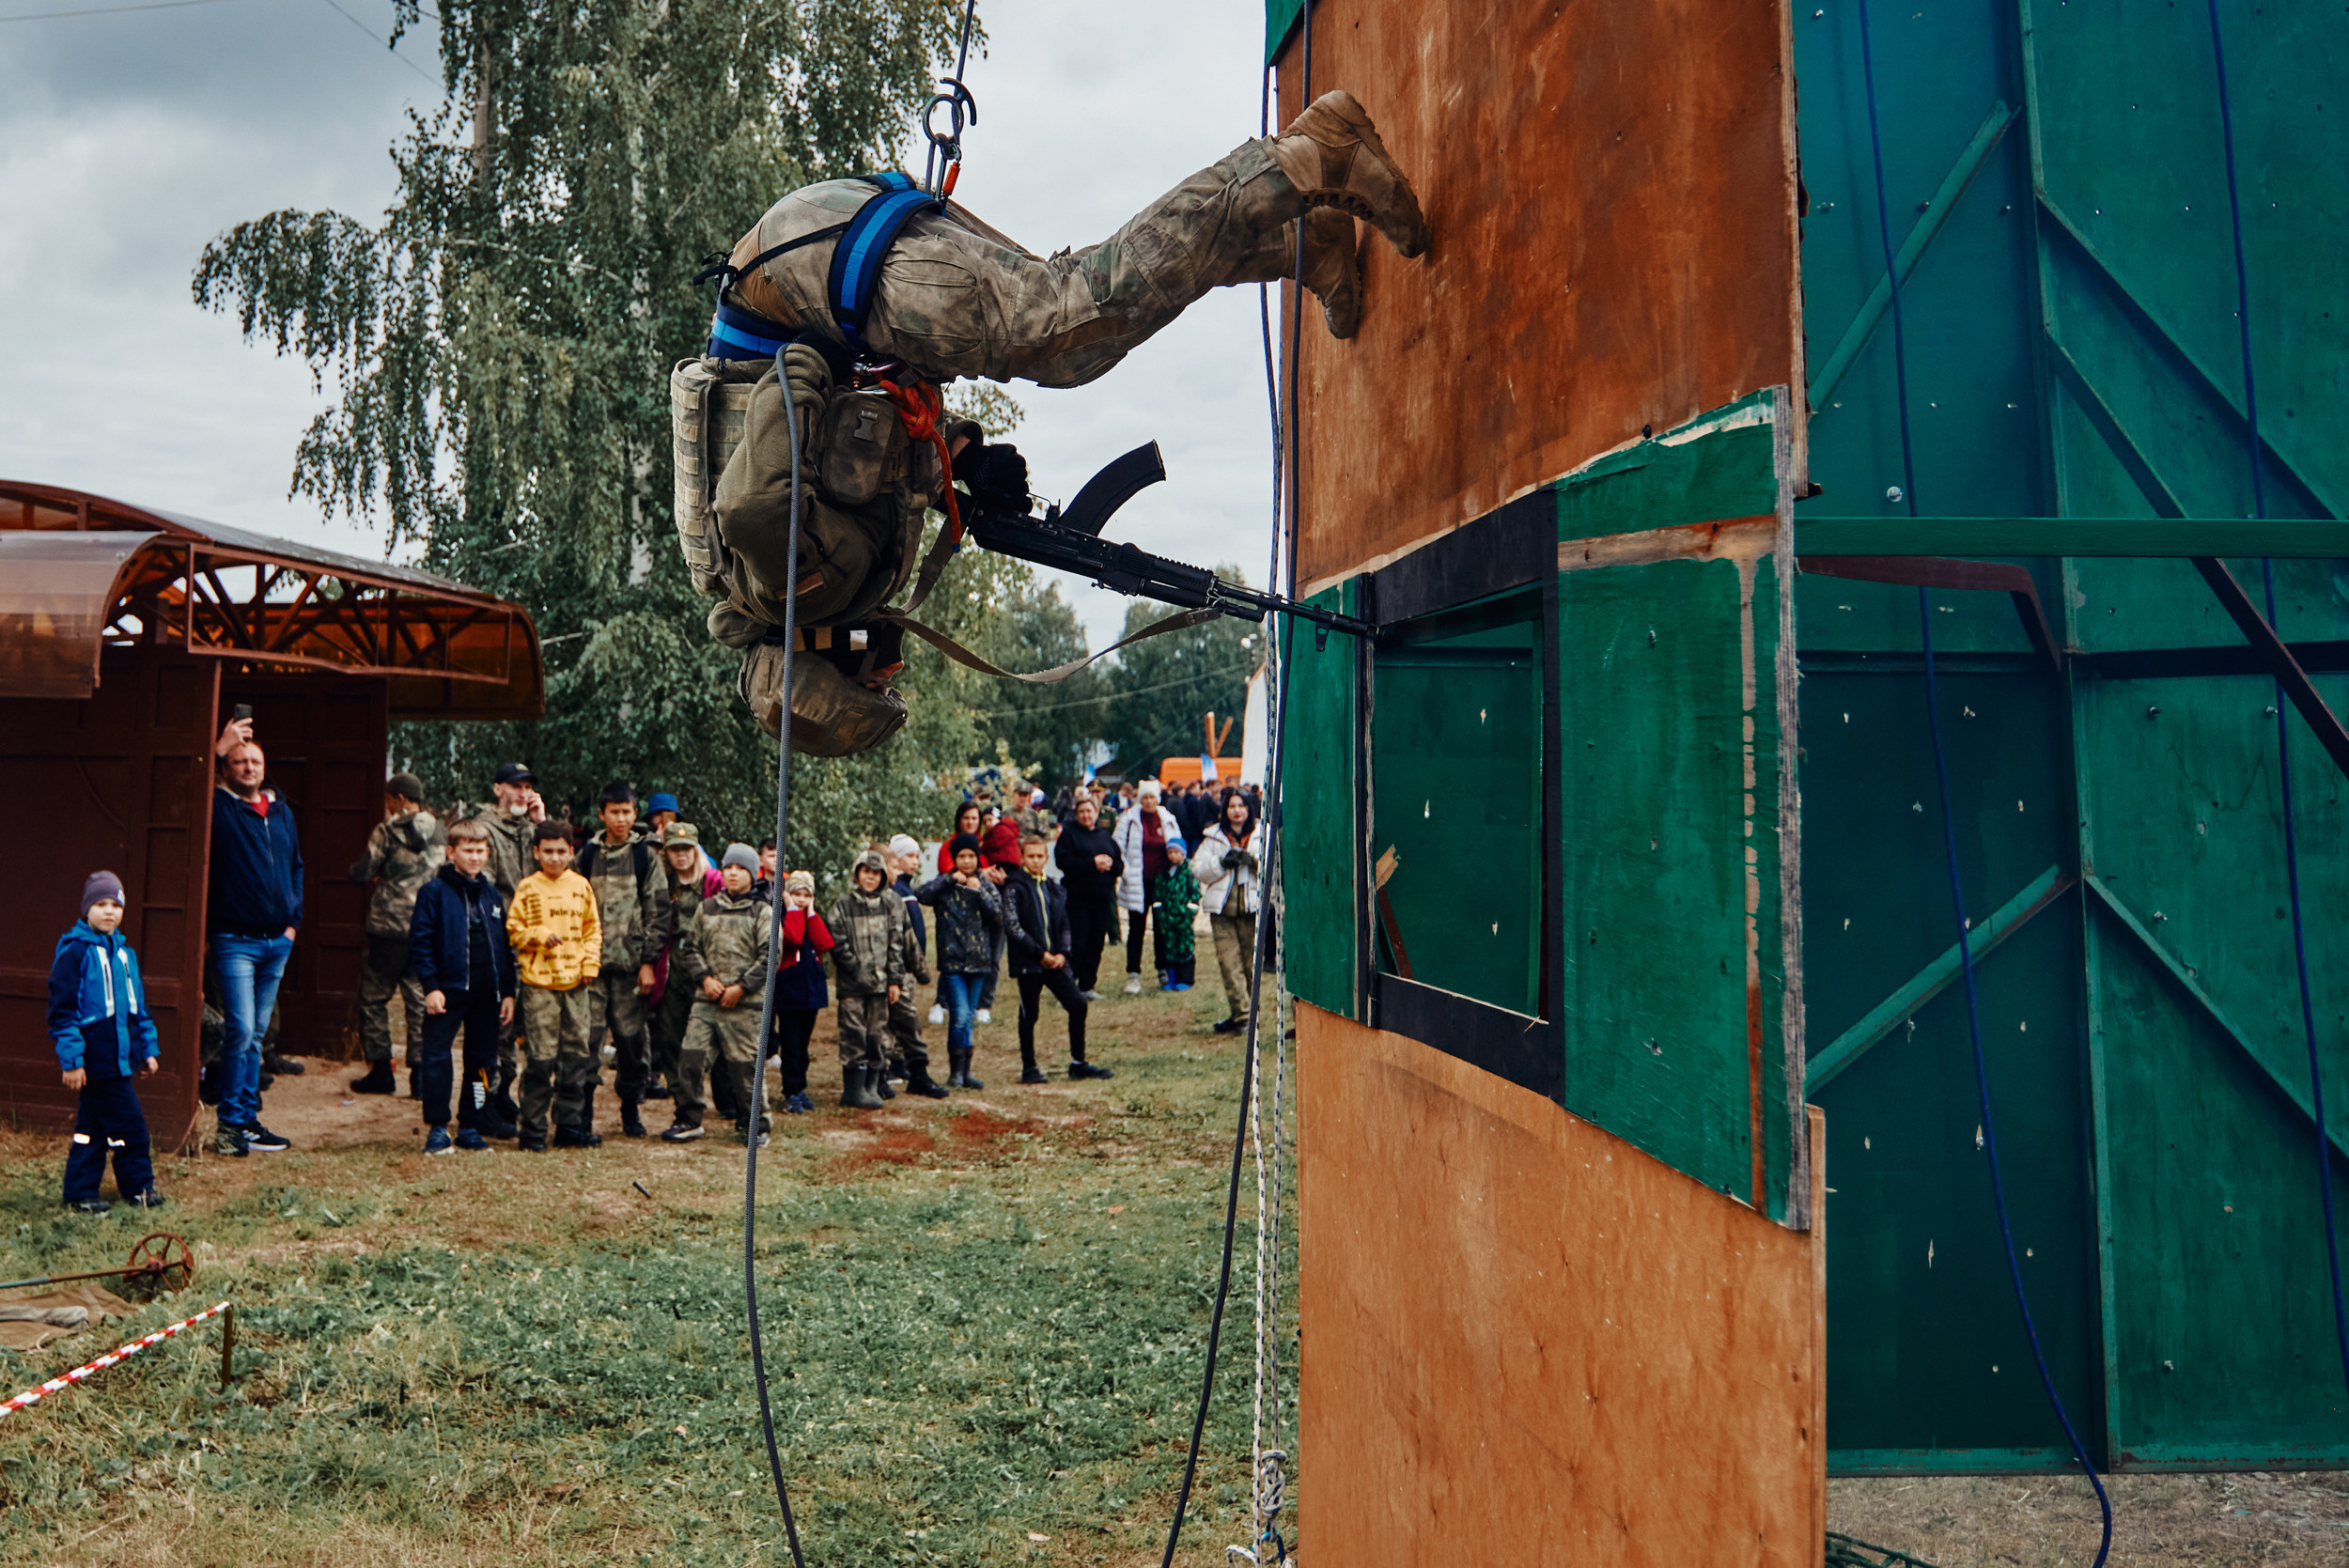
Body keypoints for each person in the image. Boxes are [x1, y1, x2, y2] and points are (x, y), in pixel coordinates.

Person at [207, 717, 300, 1157]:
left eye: (254, 761)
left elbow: (296, 866)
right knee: (240, 1030)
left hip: (276, 941)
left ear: (264, 767)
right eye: (239, 761)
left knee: (257, 1034)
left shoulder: (280, 810)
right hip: (235, 940)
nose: (247, 767)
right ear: (227, 767)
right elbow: (192, 783)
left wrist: (292, 924)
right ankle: (229, 1126)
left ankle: (248, 1119)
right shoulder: (220, 806)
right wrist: (217, 748)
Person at [48, 871, 165, 1210]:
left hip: (120, 1059)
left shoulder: (126, 955)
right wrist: (72, 1062)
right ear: (86, 909)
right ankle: (139, 1189)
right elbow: (62, 1013)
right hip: (94, 1060)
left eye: (116, 904)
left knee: (92, 1129)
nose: (109, 911)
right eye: (100, 904)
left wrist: (147, 1050)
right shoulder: (75, 952)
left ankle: (81, 1194)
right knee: (132, 1128)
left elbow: (138, 1008)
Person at [408, 819, 518, 1153]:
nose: (475, 857)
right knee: (437, 1057)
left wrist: (508, 992)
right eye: (468, 851)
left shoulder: (491, 894)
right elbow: (420, 943)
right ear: (451, 852)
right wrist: (431, 986)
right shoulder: (433, 893)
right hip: (447, 990)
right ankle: (438, 1127)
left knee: (483, 1061)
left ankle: (471, 1122)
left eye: (480, 851)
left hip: (488, 993)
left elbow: (504, 946)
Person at [663, 844, 772, 1146]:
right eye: (728, 868)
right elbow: (691, 948)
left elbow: (769, 956)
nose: (733, 874)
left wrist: (741, 988)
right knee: (690, 1059)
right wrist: (706, 979)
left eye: (740, 868)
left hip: (746, 1004)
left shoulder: (763, 910)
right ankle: (688, 1119)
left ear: (753, 873)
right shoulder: (707, 907)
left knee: (744, 1068)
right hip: (706, 1001)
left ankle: (755, 1125)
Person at [507, 820, 601, 1152]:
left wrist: (590, 964)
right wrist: (538, 935)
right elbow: (513, 929)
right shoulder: (528, 888)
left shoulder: (580, 886)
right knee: (541, 1059)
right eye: (547, 851)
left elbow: (592, 930)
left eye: (561, 851)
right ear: (536, 852)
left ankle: (570, 1128)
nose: (554, 857)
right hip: (540, 985)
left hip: (575, 983)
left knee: (575, 1057)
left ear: (572, 853)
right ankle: (533, 1130)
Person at [575, 782, 661, 1140]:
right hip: (591, 970)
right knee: (587, 1042)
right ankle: (583, 1115)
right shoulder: (586, 857)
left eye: (627, 812)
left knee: (630, 1045)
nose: (621, 819)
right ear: (601, 815)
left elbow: (658, 913)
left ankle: (630, 1112)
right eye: (614, 812)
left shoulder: (645, 857)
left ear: (635, 814)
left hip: (630, 970)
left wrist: (648, 962)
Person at [349, 773, 442, 1097]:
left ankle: (381, 1072)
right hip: (427, 929)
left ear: (400, 799)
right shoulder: (441, 831)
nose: (387, 806)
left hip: (387, 930)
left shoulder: (386, 832)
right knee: (419, 1000)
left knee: (374, 999)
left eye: (389, 799)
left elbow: (363, 870)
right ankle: (420, 1076)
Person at [1001, 836, 1105, 1084]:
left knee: (1078, 1004)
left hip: (1055, 961)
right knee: (1029, 1013)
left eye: (1040, 856)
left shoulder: (1053, 887)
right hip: (1030, 963)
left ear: (1047, 858)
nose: (1036, 861)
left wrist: (1063, 953)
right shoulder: (1014, 887)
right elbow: (1013, 926)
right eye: (1030, 856)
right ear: (1022, 857)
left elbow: (1064, 922)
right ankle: (1029, 1067)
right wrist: (1040, 954)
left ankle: (1078, 1062)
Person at [915, 833, 1003, 1090]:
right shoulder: (945, 886)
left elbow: (999, 917)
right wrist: (947, 879)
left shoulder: (985, 885)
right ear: (954, 859)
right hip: (953, 962)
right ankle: (955, 1071)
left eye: (971, 856)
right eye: (961, 857)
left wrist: (980, 893)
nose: (966, 861)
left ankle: (965, 1071)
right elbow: (921, 894)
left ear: (978, 859)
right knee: (960, 1014)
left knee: (968, 1018)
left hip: (979, 962)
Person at [827, 848, 907, 1110]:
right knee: (854, 1034)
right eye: (865, 872)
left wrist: (895, 981)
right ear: (857, 873)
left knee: (876, 1034)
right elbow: (837, 944)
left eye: (875, 873)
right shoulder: (842, 906)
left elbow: (896, 945)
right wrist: (856, 970)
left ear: (882, 876)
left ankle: (872, 1084)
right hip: (852, 986)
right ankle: (853, 1089)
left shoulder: (889, 906)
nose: (870, 878)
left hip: (881, 986)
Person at [647, 823, 721, 1104]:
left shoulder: (714, 881)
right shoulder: (662, 882)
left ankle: (724, 1096)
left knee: (711, 1033)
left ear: (695, 850)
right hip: (671, 963)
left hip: (706, 962)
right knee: (670, 1033)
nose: (681, 856)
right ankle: (682, 1095)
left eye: (686, 849)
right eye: (675, 850)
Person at [1198, 787, 1270, 1034]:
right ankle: (1241, 1016)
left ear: (1249, 808)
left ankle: (1253, 1013)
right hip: (1223, 909)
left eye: (1241, 805)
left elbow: (1275, 866)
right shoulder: (1214, 837)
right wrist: (1221, 863)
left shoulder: (1263, 834)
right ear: (1225, 810)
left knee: (1251, 964)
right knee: (1229, 963)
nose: (1237, 810)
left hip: (1252, 908)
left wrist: (1255, 863)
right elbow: (1198, 869)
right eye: (1232, 806)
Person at [885, 833, 947, 1099]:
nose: (914, 861)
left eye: (917, 857)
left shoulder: (908, 889)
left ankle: (902, 1064)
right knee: (900, 1017)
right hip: (900, 967)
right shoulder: (895, 891)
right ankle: (895, 1065)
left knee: (905, 1016)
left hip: (911, 965)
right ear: (895, 859)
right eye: (909, 856)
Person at [770, 869, 832, 1116]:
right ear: (786, 895)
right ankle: (790, 1091)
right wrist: (793, 910)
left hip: (811, 993)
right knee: (791, 1046)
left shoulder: (809, 917)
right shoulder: (784, 919)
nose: (801, 899)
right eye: (796, 894)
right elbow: (793, 939)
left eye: (806, 895)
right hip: (789, 994)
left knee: (803, 1047)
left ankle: (800, 1088)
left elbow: (825, 943)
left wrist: (812, 912)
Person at [1112, 780, 1182, 995]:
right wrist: (1125, 870)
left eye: (1152, 797)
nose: (1149, 801)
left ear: (1157, 799)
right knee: (1136, 928)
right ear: (1139, 799)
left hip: (1161, 880)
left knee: (1161, 927)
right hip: (1137, 880)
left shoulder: (1167, 819)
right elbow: (1116, 846)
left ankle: (1162, 969)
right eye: (1145, 798)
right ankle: (1133, 974)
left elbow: (1178, 843)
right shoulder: (1129, 819)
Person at [1052, 793, 1121, 1000]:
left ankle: (1088, 985)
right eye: (1081, 812)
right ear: (1076, 814)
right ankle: (1068, 987)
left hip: (1101, 899)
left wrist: (1109, 866)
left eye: (1089, 811)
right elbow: (1063, 862)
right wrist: (1092, 863)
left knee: (1096, 943)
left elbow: (1119, 864)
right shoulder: (1069, 836)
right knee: (1077, 944)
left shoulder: (1104, 837)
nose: (1086, 815)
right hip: (1077, 899)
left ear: (1096, 813)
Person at [1152, 839, 1203, 991]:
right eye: (1170, 852)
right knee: (1170, 947)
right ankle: (1171, 977)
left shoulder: (1189, 871)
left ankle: (1185, 978)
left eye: (1176, 852)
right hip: (1167, 919)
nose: (1173, 855)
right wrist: (1159, 911)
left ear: (1183, 853)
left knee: (1184, 947)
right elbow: (1158, 894)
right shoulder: (1164, 873)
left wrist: (1189, 913)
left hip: (1183, 918)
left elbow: (1195, 893)